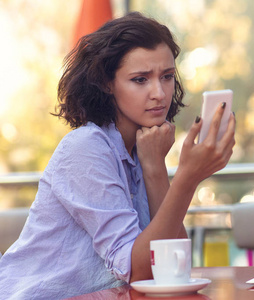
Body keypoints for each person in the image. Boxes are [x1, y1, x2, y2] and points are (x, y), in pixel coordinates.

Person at [0, 12, 235, 299]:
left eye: (167, 77)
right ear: (107, 84)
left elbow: (172, 266)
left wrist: (155, 168)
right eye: (140, 80)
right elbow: (138, 271)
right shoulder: (85, 147)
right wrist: (188, 176)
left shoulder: (142, 150)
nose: (159, 93)